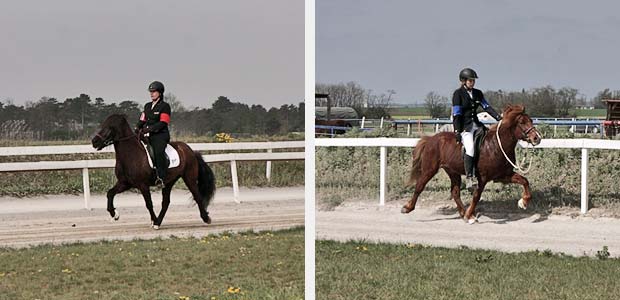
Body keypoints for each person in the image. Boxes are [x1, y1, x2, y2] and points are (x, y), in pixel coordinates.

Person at [452, 68, 502, 190]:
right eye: (470, 80)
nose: (472, 82)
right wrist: (457, 131)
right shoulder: (458, 94)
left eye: (473, 80)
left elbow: (486, 107)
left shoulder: (478, 93)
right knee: (470, 149)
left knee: (489, 143)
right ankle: (469, 177)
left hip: (477, 125)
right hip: (465, 127)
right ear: (463, 81)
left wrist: (498, 117)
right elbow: (457, 114)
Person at [135, 81, 171, 187]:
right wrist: (137, 127)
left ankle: (161, 177)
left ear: (160, 93)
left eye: (154, 92)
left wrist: (150, 129)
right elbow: (143, 119)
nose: (151, 94)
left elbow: (163, 122)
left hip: (160, 136)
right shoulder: (147, 106)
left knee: (158, 152)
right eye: (150, 92)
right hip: (147, 135)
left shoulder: (165, 106)